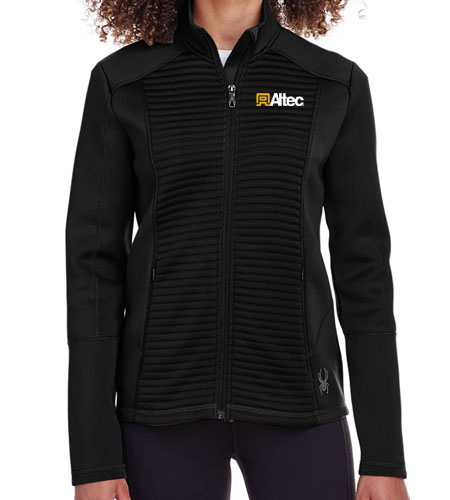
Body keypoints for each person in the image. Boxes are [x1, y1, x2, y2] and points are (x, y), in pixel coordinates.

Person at [65, 0, 410, 499]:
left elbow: (366, 270)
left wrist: (383, 454)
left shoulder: (332, 83)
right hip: (159, 415)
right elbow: (93, 270)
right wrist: (93, 459)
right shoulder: (123, 82)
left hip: (301, 407)